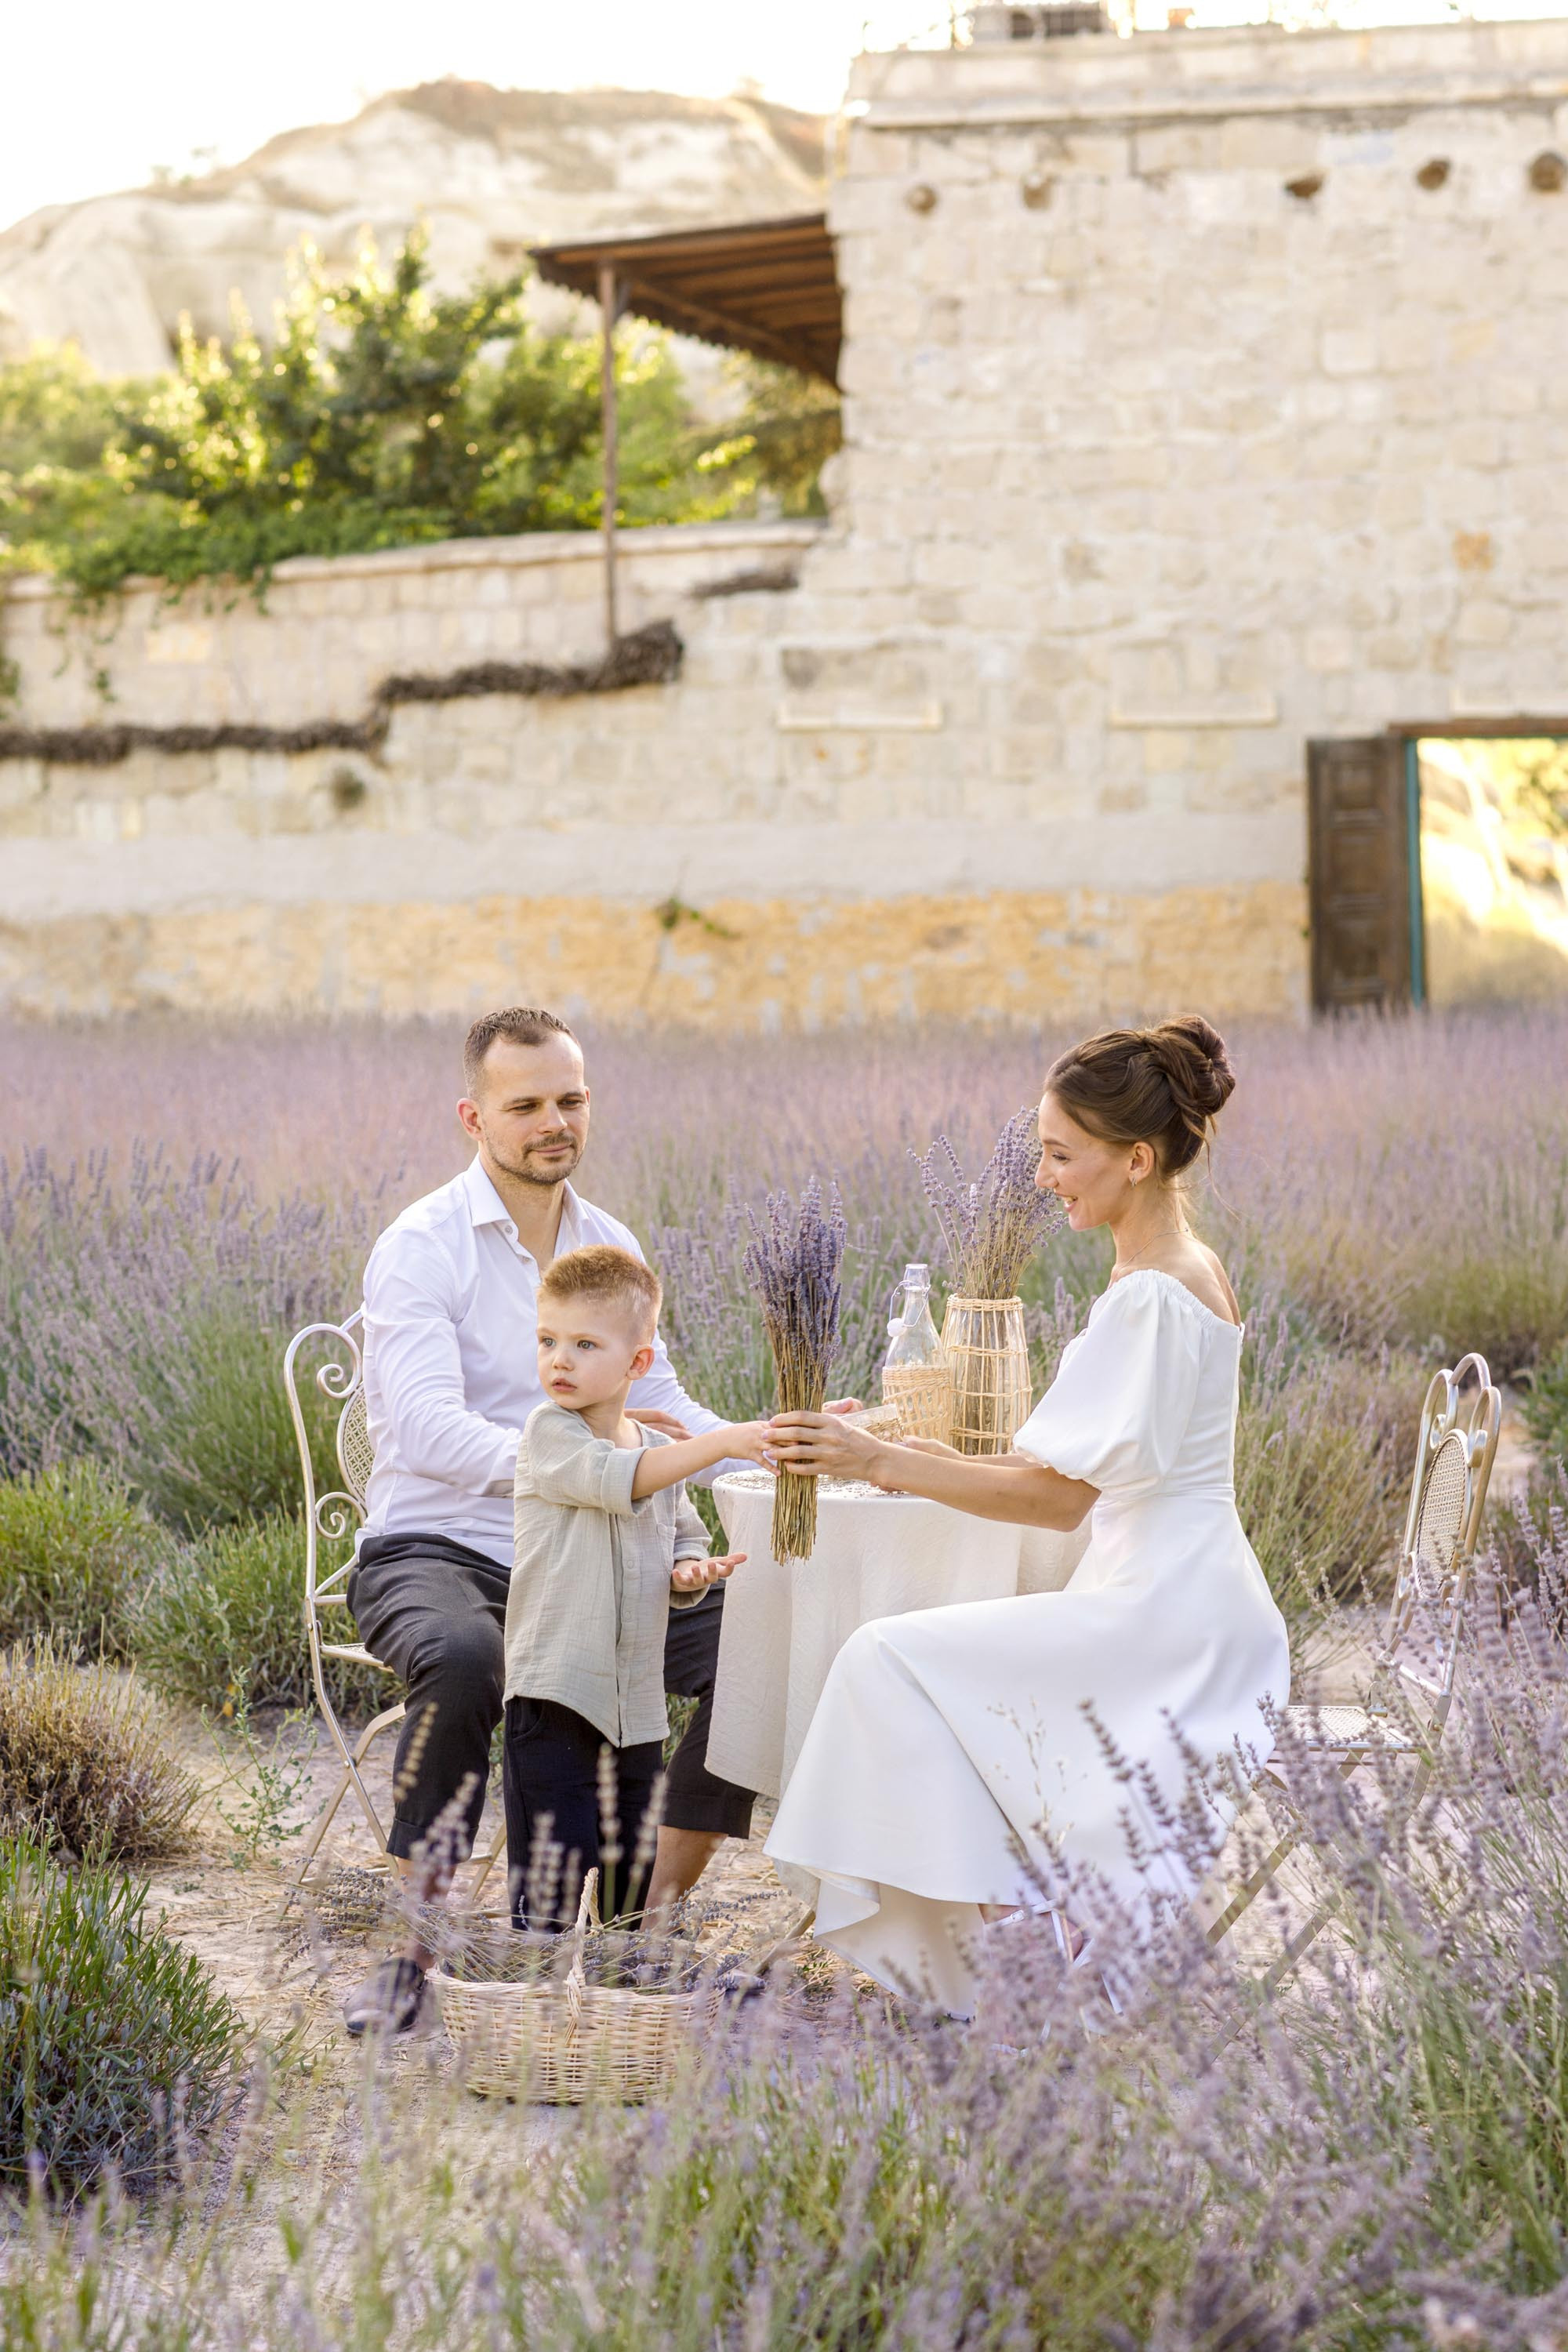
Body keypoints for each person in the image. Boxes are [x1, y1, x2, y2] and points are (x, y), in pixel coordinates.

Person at [764, 1015, 1290, 2019]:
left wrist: (881, 1460)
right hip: (1187, 1592)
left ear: (1134, 1160)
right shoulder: (1188, 1270)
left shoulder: (1148, 1298)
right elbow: (1084, 1467)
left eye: (1059, 1155)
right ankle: (1016, 1940)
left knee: (886, 1660)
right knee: (925, 1674)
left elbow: (1058, 1501)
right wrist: (916, 1458)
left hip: (1165, 1618)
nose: (1042, 1176)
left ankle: (1003, 1948)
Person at [342, 1007, 767, 2034]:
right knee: (465, 1660)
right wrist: (586, 1471)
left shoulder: (609, 1242)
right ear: (473, 1116)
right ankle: (414, 1952)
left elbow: (663, 1408)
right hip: (438, 1546)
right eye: (524, 1104)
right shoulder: (421, 1246)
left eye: (570, 1100)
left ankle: (638, 1931)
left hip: (600, 1558)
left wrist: (773, 1437)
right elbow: (434, 1434)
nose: (552, 1122)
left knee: (761, 1646)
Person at [504, 1243, 769, 1928]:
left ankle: (616, 2006)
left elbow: (681, 1529)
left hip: (634, 1707)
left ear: (637, 1363)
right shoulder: (548, 1434)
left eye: (584, 1343)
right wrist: (721, 1442)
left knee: (626, 1874)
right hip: (557, 1689)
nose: (559, 1359)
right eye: (547, 1340)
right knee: (556, 1875)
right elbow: (619, 1480)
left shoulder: (649, 1445)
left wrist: (689, 1572)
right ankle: (540, 2006)